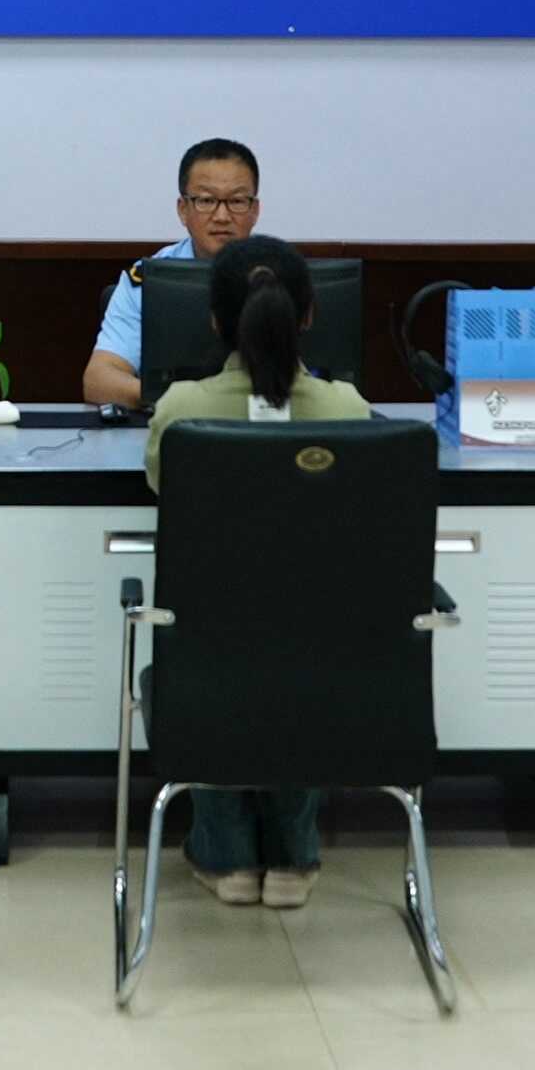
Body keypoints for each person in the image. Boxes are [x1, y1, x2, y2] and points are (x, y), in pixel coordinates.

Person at [142, 234, 372, 912]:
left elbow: (162, 488)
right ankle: (294, 856)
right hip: (328, 661)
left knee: (216, 652)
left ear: (215, 320)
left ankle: (227, 857)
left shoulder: (181, 410)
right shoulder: (349, 410)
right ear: (309, 316)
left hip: (209, 658)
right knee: (302, 648)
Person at [82, 138, 266, 411]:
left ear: (255, 210)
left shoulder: (282, 275)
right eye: (206, 200)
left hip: (262, 425)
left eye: (237, 201)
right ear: (183, 210)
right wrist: (185, 402)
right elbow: (99, 380)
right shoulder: (149, 280)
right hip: (170, 423)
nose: (222, 216)